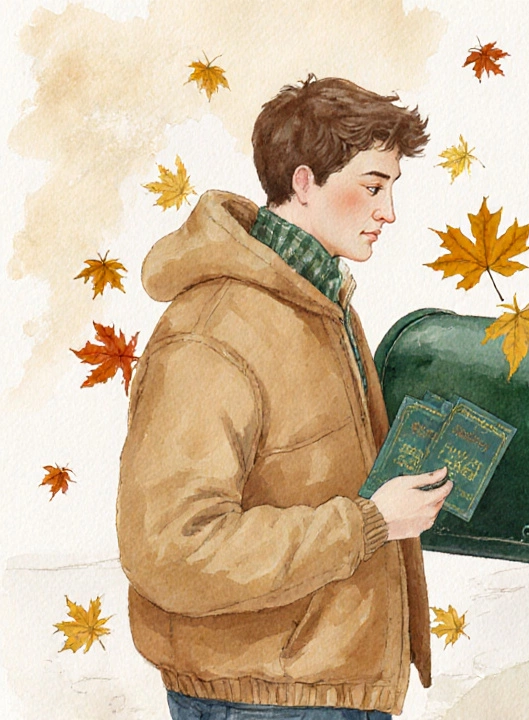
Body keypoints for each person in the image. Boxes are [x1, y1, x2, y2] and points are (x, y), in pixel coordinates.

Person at [117, 76, 453, 720]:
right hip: (260, 701)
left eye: (391, 190)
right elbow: (170, 549)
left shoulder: (322, 302)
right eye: (374, 186)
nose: (389, 213)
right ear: (304, 182)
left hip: (320, 687)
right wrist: (370, 522)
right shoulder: (211, 331)